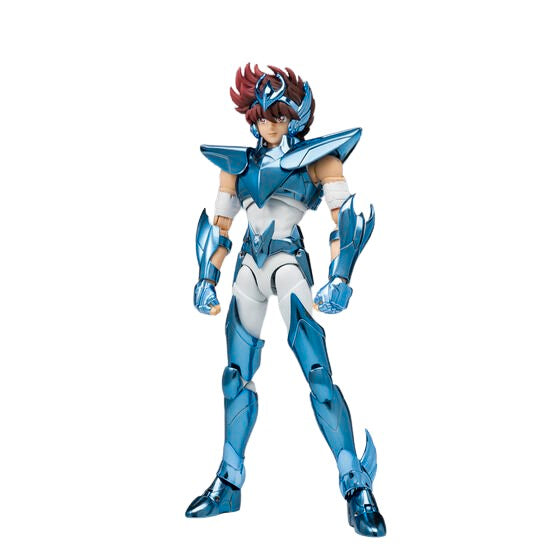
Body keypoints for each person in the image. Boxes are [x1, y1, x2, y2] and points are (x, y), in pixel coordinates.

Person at [185, 64, 386, 537]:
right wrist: (206, 277)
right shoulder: (237, 165)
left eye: (278, 115)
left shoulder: (318, 160)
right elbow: (220, 226)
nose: (268, 124)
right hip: (248, 270)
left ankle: (355, 484)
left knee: (317, 372)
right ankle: (229, 482)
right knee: (235, 377)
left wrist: (340, 276)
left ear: (296, 116)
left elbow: (343, 218)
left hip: (289, 264)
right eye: (261, 115)